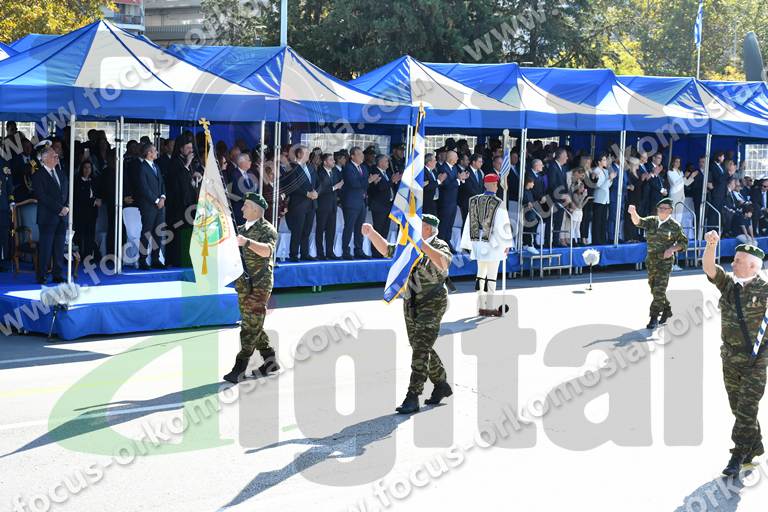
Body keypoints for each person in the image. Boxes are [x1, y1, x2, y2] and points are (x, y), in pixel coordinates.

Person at [362, 214, 453, 414]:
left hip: (432, 302)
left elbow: (444, 263)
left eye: (419, 225)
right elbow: (388, 250)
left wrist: (423, 245)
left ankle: (413, 396)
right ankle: (441, 384)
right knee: (420, 345)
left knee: (420, 348)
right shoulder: (409, 245)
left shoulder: (439, 244)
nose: (413, 228)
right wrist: (372, 233)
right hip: (411, 302)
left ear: (428, 229)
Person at [702, 232, 768, 476]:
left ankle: (738, 454)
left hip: (755, 361)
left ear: (752, 266)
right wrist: (711, 245)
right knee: (737, 407)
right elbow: (710, 268)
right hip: (730, 358)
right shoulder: (729, 285)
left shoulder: (765, 291)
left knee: (746, 408)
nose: (733, 263)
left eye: (738, 261)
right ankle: (755, 445)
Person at [223, 193, 280, 384]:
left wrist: (246, 242)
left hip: (260, 284)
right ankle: (270, 361)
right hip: (243, 284)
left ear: (256, 209)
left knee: (249, 326)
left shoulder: (267, 229)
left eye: (246, 205)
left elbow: (267, 251)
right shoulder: (239, 230)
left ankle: (239, 368)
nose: (242, 208)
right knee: (253, 322)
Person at [628, 198, 688, 329]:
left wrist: (672, 249)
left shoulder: (675, 226)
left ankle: (654, 317)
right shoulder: (652, 221)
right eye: (660, 208)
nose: (661, 210)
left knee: (659, 289)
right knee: (654, 289)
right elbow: (638, 222)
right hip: (651, 260)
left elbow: (684, 243)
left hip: (665, 262)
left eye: (664, 208)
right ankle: (667, 309)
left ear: (670, 211)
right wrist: (633, 213)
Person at [460, 174, 514, 316]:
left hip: (478, 244)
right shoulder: (498, 202)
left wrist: (468, 243)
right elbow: (503, 224)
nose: (496, 187)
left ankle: (480, 305)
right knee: (491, 275)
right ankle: (489, 306)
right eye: (495, 184)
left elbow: (468, 223)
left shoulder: (474, 201)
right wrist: (507, 243)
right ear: (494, 185)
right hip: (493, 244)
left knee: (480, 274)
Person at [31, 146, 69, 284]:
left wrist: (66, 207)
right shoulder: (38, 175)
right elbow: (42, 196)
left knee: (59, 248)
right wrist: (59, 208)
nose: (57, 158)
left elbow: (65, 192)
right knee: (46, 248)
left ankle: (57, 274)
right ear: (45, 158)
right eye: (54, 156)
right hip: (47, 218)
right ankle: (41, 275)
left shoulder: (61, 173)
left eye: (57, 156)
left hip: (62, 217)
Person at [165, 138, 202, 267]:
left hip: (189, 204)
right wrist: (187, 165)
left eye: (191, 148)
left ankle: (186, 259)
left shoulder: (190, 163)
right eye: (188, 148)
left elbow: (188, 181)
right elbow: (176, 182)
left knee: (188, 233)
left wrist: (196, 177)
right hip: (177, 206)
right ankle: (175, 261)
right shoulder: (175, 162)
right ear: (181, 148)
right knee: (176, 234)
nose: (191, 151)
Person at [135, 143, 166, 270]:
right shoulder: (142, 168)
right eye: (154, 150)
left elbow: (162, 183)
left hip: (159, 206)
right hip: (148, 206)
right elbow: (144, 187)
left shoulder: (156, 166)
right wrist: (156, 200)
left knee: (158, 232)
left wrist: (163, 197)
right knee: (147, 232)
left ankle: (155, 258)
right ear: (149, 153)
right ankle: (142, 259)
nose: (157, 152)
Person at [284, 146, 317, 262]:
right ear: (299, 155)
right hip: (298, 204)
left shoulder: (310, 167)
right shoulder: (291, 167)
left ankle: (304, 253)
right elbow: (292, 186)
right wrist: (306, 193)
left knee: (307, 230)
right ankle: (293, 254)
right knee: (297, 230)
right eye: (306, 153)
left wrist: (316, 192)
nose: (308, 155)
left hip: (311, 203)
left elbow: (316, 182)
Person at [341, 147, 369, 259]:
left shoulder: (363, 167)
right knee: (349, 227)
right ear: (352, 156)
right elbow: (354, 183)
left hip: (362, 201)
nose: (362, 156)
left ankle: (359, 250)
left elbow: (364, 184)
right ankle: (345, 251)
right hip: (351, 202)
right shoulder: (348, 168)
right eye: (359, 154)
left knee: (360, 227)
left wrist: (366, 183)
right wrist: (368, 181)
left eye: (362, 154)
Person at [315, 153, 343, 260]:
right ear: (325, 162)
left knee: (331, 230)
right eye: (331, 160)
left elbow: (339, 184)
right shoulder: (320, 173)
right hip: (322, 205)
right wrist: (334, 187)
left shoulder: (335, 172)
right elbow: (320, 189)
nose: (334, 161)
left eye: (333, 160)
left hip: (332, 205)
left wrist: (338, 187)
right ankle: (320, 253)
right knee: (320, 229)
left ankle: (330, 252)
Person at [367, 154, 397, 256]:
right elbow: (380, 187)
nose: (388, 163)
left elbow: (389, 186)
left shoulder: (386, 173)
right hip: (379, 206)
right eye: (386, 161)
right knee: (378, 231)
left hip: (388, 205)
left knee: (385, 230)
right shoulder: (375, 172)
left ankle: (383, 251)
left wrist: (394, 181)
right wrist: (392, 181)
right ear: (380, 162)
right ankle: (376, 253)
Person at [72, 160, 101, 263]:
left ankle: (88, 257)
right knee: (79, 235)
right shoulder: (77, 181)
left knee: (90, 235)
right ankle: (78, 257)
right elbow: (79, 197)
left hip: (92, 213)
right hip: (80, 212)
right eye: (85, 167)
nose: (87, 170)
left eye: (89, 167)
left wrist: (99, 200)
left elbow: (98, 193)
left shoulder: (94, 180)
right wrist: (94, 201)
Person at [458, 154, 485, 224]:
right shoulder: (466, 171)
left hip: (477, 202)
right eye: (479, 162)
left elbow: (482, 186)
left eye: (481, 162)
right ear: (473, 162)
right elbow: (468, 188)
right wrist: (479, 196)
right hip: (468, 202)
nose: (481, 163)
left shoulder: (479, 172)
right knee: (467, 224)